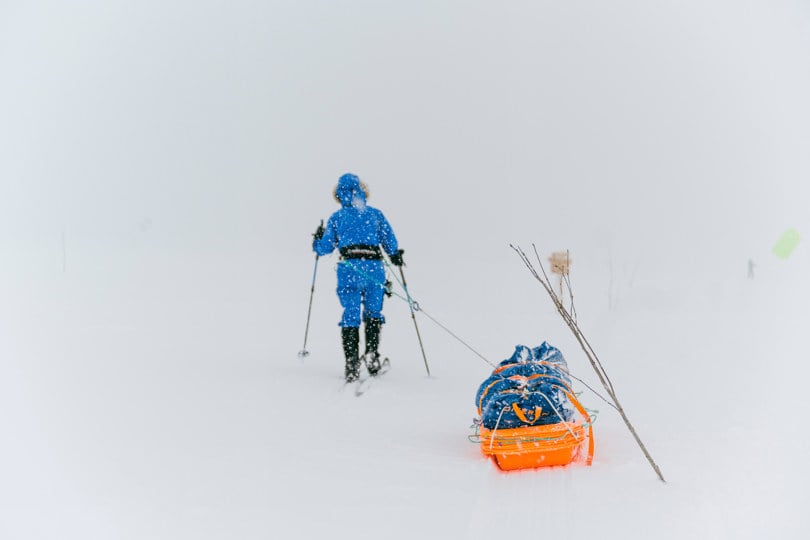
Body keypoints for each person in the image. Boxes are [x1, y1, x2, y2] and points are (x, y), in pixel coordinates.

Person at [312, 173, 404, 382]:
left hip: (349, 269)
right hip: (373, 269)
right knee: (373, 312)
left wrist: (317, 240)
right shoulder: (375, 215)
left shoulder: (336, 218)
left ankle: (351, 363)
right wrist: (395, 254)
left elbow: (325, 248)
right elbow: (390, 241)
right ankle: (371, 354)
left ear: (338, 194)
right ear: (363, 191)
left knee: (350, 313)